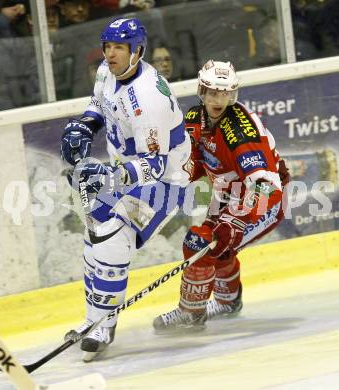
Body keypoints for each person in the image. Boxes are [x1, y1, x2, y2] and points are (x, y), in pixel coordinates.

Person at [60, 17, 191, 361]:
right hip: (125, 171)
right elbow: (99, 106)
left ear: (137, 51)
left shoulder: (149, 97)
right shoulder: (107, 70)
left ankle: (103, 326)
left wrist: (107, 178)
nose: (111, 53)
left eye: (119, 47)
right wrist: (85, 127)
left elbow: (156, 165)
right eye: (107, 46)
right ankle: (94, 322)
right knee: (94, 238)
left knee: (113, 236)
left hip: (163, 183)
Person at [153, 59, 290, 332]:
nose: (219, 100)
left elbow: (266, 186)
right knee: (215, 246)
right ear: (202, 92)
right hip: (227, 193)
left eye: (226, 93)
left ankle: (191, 312)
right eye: (214, 93)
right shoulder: (194, 119)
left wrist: (237, 221)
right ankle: (228, 302)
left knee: (201, 243)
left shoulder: (239, 130)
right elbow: (192, 165)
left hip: (264, 200)